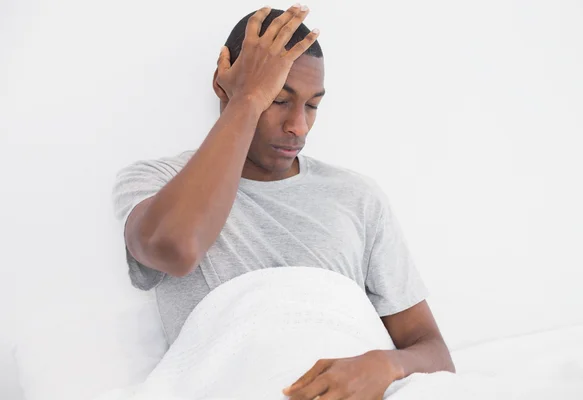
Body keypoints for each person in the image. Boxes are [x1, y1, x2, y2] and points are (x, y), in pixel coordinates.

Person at [112, 4, 455, 399]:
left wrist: (385, 364)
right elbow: (175, 249)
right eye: (278, 99)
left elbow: (434, 353)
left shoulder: (357, 197)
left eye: (312, 105)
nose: (299, 126)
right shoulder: (158, 183)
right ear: (224, 86)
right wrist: (248, 99)